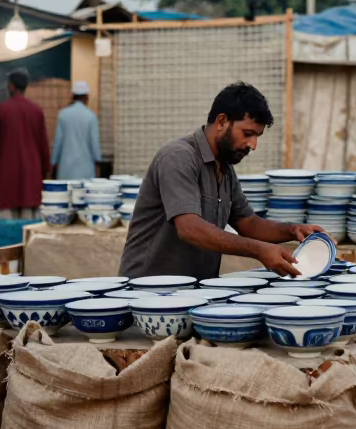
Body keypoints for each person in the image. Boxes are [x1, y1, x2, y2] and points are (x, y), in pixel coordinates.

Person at [119, 82, 327, 280]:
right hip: (146, 295)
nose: (253, 145)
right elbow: (189, 228)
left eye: (257, 136)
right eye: (247, 133)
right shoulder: (178, 157)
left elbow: (249, 224)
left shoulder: (225, 169)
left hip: (192, 295)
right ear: (221, 122)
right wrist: (259, 250)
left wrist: (293, 230)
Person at [0, 69, 50, 219]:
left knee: (6, 227)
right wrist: (45, 173)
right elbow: (43, 146)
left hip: (7, 179)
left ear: (11, 86)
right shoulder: (36, 111)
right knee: (29, 225)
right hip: (31, 179)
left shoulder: (1, 110)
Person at [51, 81, 101, 180]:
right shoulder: (91, 116)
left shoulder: (63, 114)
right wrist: (98, 163)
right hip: (85, 171)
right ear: (86, 97)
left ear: (73, 96)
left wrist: (53, 163)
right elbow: (94, 144)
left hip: (66, 170)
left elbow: (58, 143)